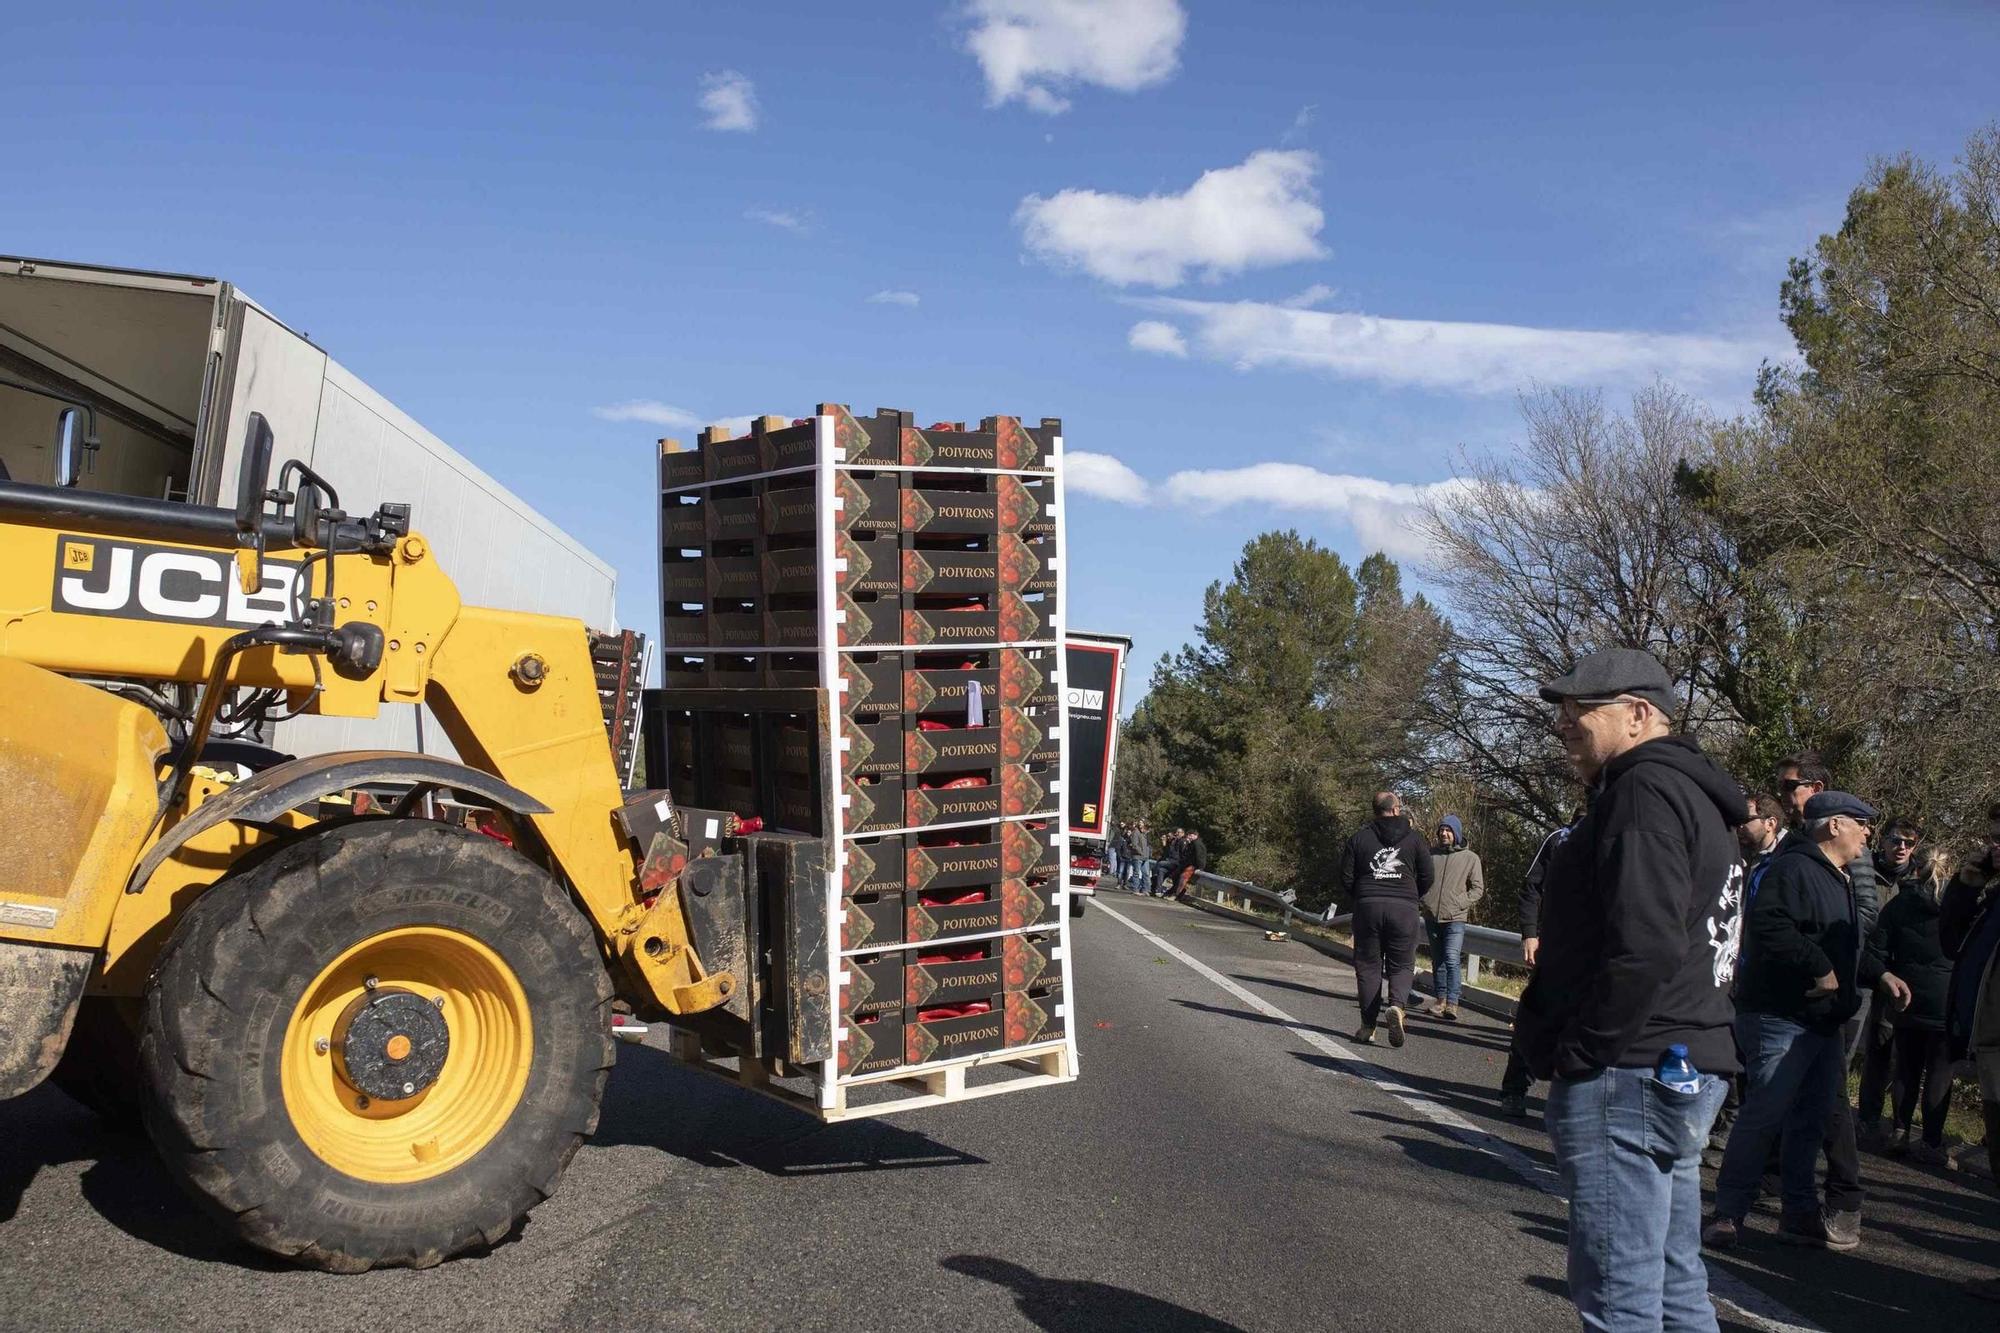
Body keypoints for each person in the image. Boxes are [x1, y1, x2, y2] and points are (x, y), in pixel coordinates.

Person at [1513, 648, 1743, 1332]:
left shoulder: (1643, 792)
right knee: (1675, 1288)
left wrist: (1583, 1052)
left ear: (1639, 713)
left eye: (1580, 712)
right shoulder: (1696, 794)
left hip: (1632, 1070)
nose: (1565, 727)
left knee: (1621, 1299)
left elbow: (1646, 944)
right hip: (1682, 1057)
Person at [1705, 791, 1878, 1253]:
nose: (1868, 834)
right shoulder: (1795, 868)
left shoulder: (1835, 876)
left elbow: (1842, 943)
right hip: (1781, 1017)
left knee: (1810, 1119)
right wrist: (1819, 966)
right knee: (1765, 1115)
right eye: (1862, 823)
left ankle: (1798, 1214)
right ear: (1834, 826)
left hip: (1820, 1023)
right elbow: (1770, 927)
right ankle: (1728, 1212)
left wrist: (1880, 973)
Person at [1862, 846, 1956, 1164]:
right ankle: (1931, 1141)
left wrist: (1888, 975)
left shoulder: (1901, 903)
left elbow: (1878, 947)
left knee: (1906, 1068)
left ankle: (1900, 1130)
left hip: (1907, 995)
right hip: (1947, 999)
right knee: (1940, 1074)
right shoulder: (1961, 907)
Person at [1941, 805, 2000, 1303]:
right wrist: (1965, 884)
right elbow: (1950, 939)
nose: (1995, 846)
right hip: (1990, 1047)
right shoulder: (1993, 897)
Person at [1499, 810, 1579, 1117]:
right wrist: (1530, 933)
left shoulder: (1625, 834)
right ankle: (1514, 1089)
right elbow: (1531, 886)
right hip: (1557, 943)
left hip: (1599, 949)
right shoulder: (1559, 840)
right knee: (1537, 1013)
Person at [1337, 792, 1433, 1047]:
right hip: (1404, 908)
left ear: (1375, 810)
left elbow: (1346, 877)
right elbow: (1428, 876)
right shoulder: (1415, 840)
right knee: (1401, 964)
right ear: (1396, 809)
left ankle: (1368, 1027)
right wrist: (1411, 895)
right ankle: (1397, 1007)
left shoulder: (1359, 838)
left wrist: (1364, 896)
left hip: (1368, 906)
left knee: (1368, 966)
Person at [1856, 818, 1924, 1147]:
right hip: (1859, 966)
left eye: (1908, 843)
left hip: (1896, 974)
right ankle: (1848, 1115)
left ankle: (1877, 1120)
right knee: (1849, 1041)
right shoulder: (1862, 869)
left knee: (1883, 1048)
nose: (1901, 848)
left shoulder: (1921, 879)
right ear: (1883, 841)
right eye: (1896, 840)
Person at [1420, 814, 1484, 1021]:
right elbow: (1420, 879)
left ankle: (1453, 1003)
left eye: (1448, 830)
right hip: (1431, 916)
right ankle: (1440, 1001)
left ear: (1456, 833)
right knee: (1437, 960)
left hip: (1455, 917)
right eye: (1441, 830)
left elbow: (1477, 889)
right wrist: (1424, 900)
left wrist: (1459, 903)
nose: (1444, 834)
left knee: (1451, 958)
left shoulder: (1470, 858)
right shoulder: (1430, 855)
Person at [1128, 820, 1152, 893]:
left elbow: (1148, 845)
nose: (1141, 824)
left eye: (1142, 823)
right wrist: (1141, 852)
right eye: (1140, 823)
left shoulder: (1145, 833)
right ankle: (1135, 889)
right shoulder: (1136, 832)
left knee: (1146, 873)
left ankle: (1146, 890)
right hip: (1138, 856)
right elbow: (1134, 845)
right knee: (1136, 873)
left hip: (1145, 857)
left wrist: (1148, 853)